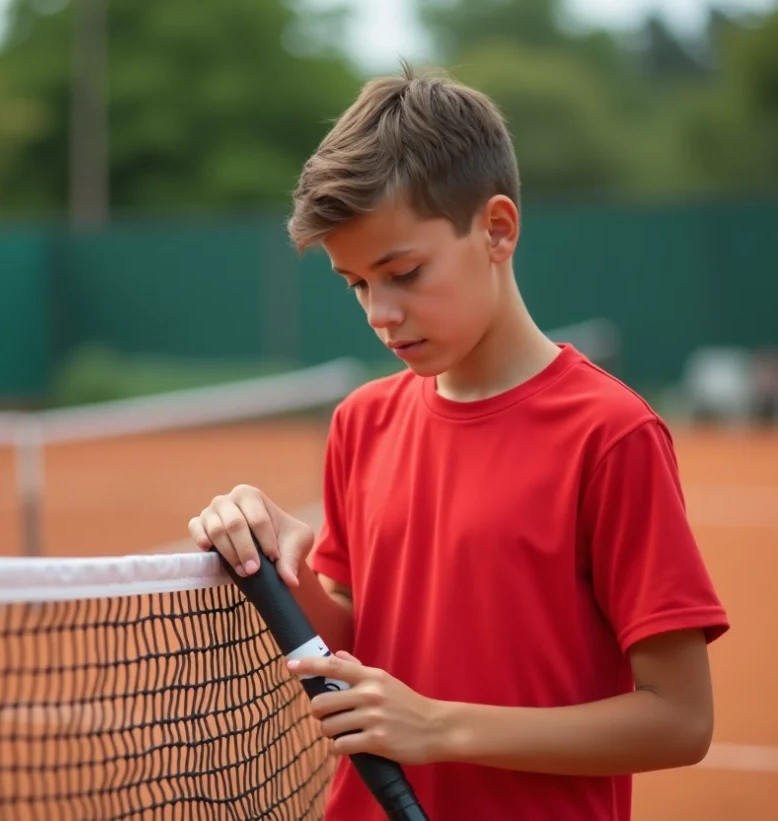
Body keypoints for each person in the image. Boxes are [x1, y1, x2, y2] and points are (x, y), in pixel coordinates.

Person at [188, 62, 729, 821]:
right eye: (356, 284)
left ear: (498, 230)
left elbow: (680, 719)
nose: (380, 312)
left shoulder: (611, 434)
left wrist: (439, 726)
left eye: (403, 272)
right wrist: (281, 558)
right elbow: (354, 636)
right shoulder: (360, 423)